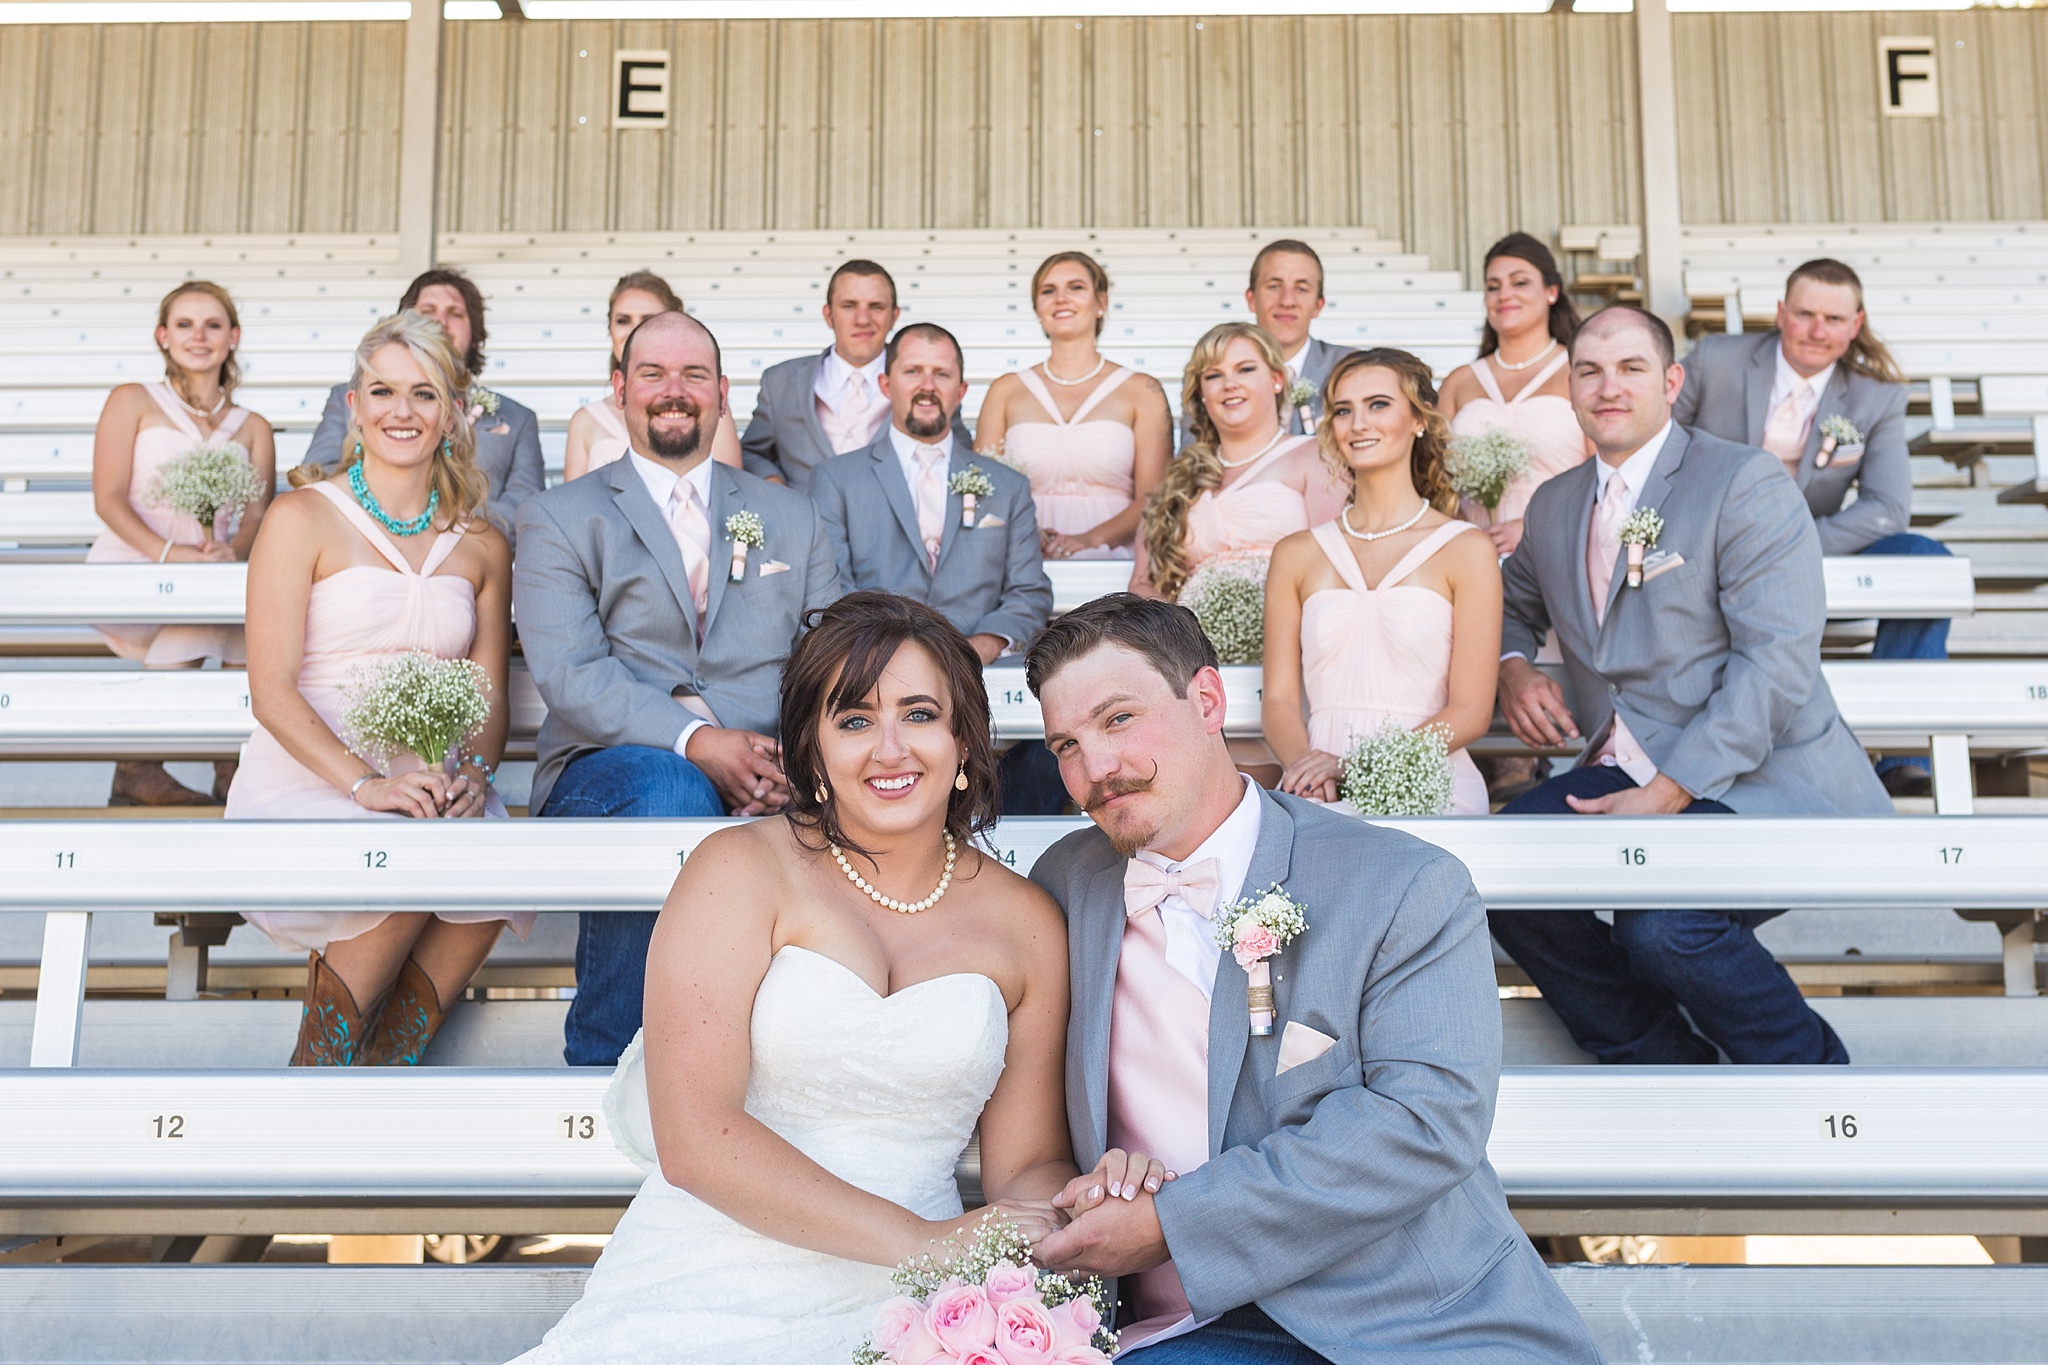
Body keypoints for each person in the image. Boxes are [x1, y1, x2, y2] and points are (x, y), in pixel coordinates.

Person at [1022, 594, 1603, 1364]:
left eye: (1118, 719)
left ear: (1207, 699)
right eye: (1066, 743)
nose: (1095, 768)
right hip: (1185, 1325)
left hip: (1405, 1320)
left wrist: (1173, 1222)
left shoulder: (1402, 883)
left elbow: (1424, 1123)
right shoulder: (1065, 884)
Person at [510, 591, 1080, 1364]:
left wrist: (1061, 1212)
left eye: (918, 714)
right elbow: (696, 1138)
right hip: (705, 1277)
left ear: (964, 741)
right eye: (853, 720)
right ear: (810, 749)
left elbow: (1028, 1162)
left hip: (920, 1310)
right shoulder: (737, 871)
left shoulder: (1027, 922)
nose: (889, 748)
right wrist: (925, 1243)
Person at [1488, 304, 1891, 1068]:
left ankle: (1810, 1077)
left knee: (1662, 922)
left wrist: (1671, 788)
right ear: (1569, 387)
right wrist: (1512, 666)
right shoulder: (1555, 504)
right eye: (1589, 370)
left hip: (1759, 773)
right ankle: (1662, 1061)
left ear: (1671, 381)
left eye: (1631, 368)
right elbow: (1513, 606)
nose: (1609, 387)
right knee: (1506, 871)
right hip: (1621, 761)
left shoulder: (1742, 481)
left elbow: (1776, 663)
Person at [515, 311, 840, 1068]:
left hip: (774, 763)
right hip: (610, 767)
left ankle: (789, 1066)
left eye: (695, 375)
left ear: (723, 394)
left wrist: (790, 760)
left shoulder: (790, 516)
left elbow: (830, 660)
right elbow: (570, 673)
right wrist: (701, 745)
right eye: (654, 374)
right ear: (620, 389)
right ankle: (614, 1057)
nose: (675, 390)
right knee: (670, 791)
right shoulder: (560, 516)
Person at [228, 312, 524, 1068]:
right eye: (383, 391)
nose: (402, 410)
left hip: (435, 783)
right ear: (354, 407)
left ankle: (386, 1071)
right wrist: (365, 783)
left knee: (492, 867)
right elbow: (270, 689)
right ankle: (315, 1076)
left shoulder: (484, 543)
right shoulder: (301, 517)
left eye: (423, 393)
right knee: (405, 851)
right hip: (316, 777)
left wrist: (474, 777)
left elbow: (487, 699)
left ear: (453, 413)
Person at [1674, 257, 1938, 796]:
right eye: (1805, 314)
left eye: (1835, 320)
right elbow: (1657, 451)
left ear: (1856, 325)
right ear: (1780, 313)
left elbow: (1888, 506)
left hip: (1813, 542)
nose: (1819, 331)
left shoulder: (1876, 397)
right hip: (1707, 540)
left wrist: (1794, 545)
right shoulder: (1716, 361)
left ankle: (1905, 750)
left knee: (1924, 560)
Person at [808, 323, 1062, 814]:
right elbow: (831, 592)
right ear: (887, 384)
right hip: (877, 679)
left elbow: (1029, 592)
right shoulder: (835, 479)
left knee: (1046, 752)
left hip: (984, 679)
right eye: (913, 371)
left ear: (961, 389)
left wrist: (979, 648)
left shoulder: (1006, 486)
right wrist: (905, 660)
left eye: (941, 373)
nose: (927, 385)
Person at [1263, 350, 1500, 814]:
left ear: (1419, 420)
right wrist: (1309, 770)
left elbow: (1471, 711)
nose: (1358, 423)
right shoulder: (1295, 554)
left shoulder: (1466, 548)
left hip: (1429, 782)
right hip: (1318, 792)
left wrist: (1355, 766)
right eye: (1344, 410)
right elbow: (1278, 699)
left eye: (1378, 405)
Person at [88, 281, 277, 807]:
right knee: (223, 614)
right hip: (135, 562)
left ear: (233, 336)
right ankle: (202, 768)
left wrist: (231, 551)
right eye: (185, 324)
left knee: (246, 616)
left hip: (212, 572)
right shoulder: (132, 400)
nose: (199, 336)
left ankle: (151, 770)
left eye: (213, 325)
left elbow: (257, 512)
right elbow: (107, 498)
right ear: (162, 336)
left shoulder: (254, 427)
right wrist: (173, 555)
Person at [306, 268, 543, 549]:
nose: (441, 322)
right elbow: (318, 472)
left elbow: (526, 507)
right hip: (357, 545)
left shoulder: (519, 418)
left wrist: (445, 526)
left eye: (455, 313)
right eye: (428, 310)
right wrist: (391, 522)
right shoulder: (349, 396)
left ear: (475, 330)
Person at [972, 251, 1170, 559]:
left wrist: (1091, 539)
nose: (1061, 298)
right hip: (1022, 555)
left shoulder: (1142, 390)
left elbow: (1154, 496)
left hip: (1114, 556)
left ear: (1101, 303)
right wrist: (1027, 535)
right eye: (1048, 291)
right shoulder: (1006, 390)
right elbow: (983, 489)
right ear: (1037, 308)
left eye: (1076, 287)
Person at [1136, 322, 1349, 603]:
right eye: (1213, 375)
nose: (1229, 384)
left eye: (1245, 369)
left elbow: (1332, 568)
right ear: (1201, 392)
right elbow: (1142, 585)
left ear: (1277, 379)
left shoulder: (1317, 457)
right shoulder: (1178, 480)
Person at [738, 259, 969, 490]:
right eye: (849, 306)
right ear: (828, 315)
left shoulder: (929, 384)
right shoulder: (780, 381)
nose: (862, 320)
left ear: (894, 316)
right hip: (803, 520)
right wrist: (773, 482)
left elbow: (959, 455)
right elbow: (751, 452)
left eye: (876, 307)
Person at [1439, 233, 1589, 557]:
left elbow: (1602, 470)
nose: (1503, 294)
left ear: (1551, 292)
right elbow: (1433, 477)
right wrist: (1464, 532)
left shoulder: (1580, 371)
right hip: (1473, 555)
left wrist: (1536, 528)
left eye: (1519, 283)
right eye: (1493, 286)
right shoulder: (1459, 382)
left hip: (1559, 547)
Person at [562, 270, 742, 481]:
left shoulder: (704, 407)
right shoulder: (585, 421)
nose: (635, 330)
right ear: (610, 329)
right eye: (623, 320)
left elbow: (728, 493)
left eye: (649, 320)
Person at [1181, 240, 1353, 447]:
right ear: (1251, 299)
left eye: (1301, 288)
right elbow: (1194, 454)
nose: (1287, 301)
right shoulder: (1214, 368)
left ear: (1318, 305)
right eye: (1274, 286)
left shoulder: (1347, 367)